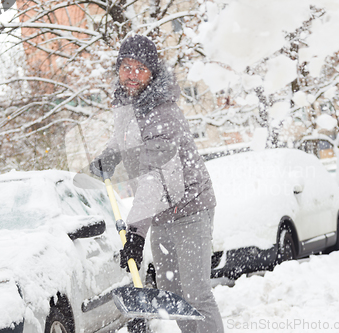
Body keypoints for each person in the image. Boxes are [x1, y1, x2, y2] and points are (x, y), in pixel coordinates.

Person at [90, 35, 224, 333]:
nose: (133, 74)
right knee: (173, 295)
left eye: (140, 67)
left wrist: (135, 234)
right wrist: (109, 156)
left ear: (153, 72)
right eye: (127, 67)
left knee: (196, 295)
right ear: (118, 69)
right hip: (162, 214)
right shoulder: (127, 104)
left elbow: (155, 178)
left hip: (190, 208)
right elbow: (125, 137)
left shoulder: (162, 111)